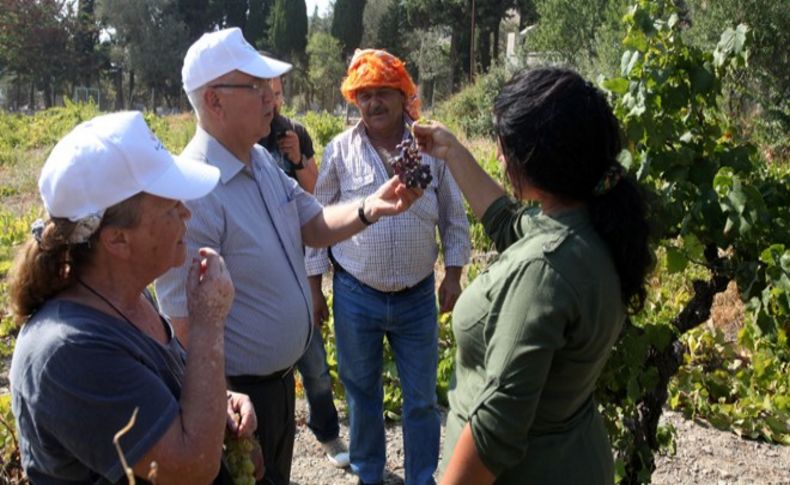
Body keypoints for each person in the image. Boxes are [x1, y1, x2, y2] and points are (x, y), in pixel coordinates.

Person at [155, 29, 422, 485]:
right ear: (214, 101)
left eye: (269, 88)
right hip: (238, 397)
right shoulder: (195, 193)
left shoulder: (259, 161)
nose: (270, 99)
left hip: (276, 388)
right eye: (255, 87)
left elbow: (314, 224)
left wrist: (370, 207)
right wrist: (222, 406)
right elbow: (182, 325)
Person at [411, 67, 654, 484]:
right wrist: (451, 150)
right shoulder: (590, 224)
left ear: (537, 160)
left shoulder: (543, 270)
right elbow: (508, 222)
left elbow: (494, 431)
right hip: (573, 457)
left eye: (506, 150)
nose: (501, 159)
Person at [8, 111, 261, 484]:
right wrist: (207, 321)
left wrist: (215, 403)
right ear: (117, 240)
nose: (186, 212)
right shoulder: (69, 353)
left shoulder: (124, 296)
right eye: (170, 207)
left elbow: (153, 392)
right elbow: (191, 469)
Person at [305, 49, 470, 485]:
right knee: (361, 394)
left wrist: (452, 275)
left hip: (417, 295)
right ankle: (369, 474)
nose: (373, 103)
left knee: (419, 399)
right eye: (364, 95)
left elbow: (454, 215)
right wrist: (314, 289)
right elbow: (319, 219)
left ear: (403, 95)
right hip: (355, 294)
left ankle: (421, 477)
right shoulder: (340, 150)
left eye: (382, 93)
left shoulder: (430, 147)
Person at [257, 74, 350, 468]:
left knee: (315, 368)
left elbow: (317, 195)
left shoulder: (294, 132)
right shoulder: (248, 140)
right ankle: (262, 448)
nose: (274, 103)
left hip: (296, 264)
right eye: (268, 95)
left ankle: (328, 433)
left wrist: (299, 159)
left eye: (279, 94)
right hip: (261, 274)